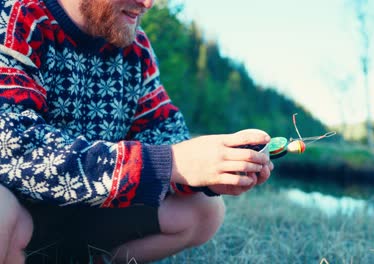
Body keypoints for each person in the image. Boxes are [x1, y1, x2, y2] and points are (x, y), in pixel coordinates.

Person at [0, 0, 273, 263]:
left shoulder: (136, 47)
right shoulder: (16, 19)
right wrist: (170, 163)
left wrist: (206, 175)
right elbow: (16, 150)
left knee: (204, 209)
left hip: (86, 212)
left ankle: (85, 257)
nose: (148, 3)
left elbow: (162, 131)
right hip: (21, 213)